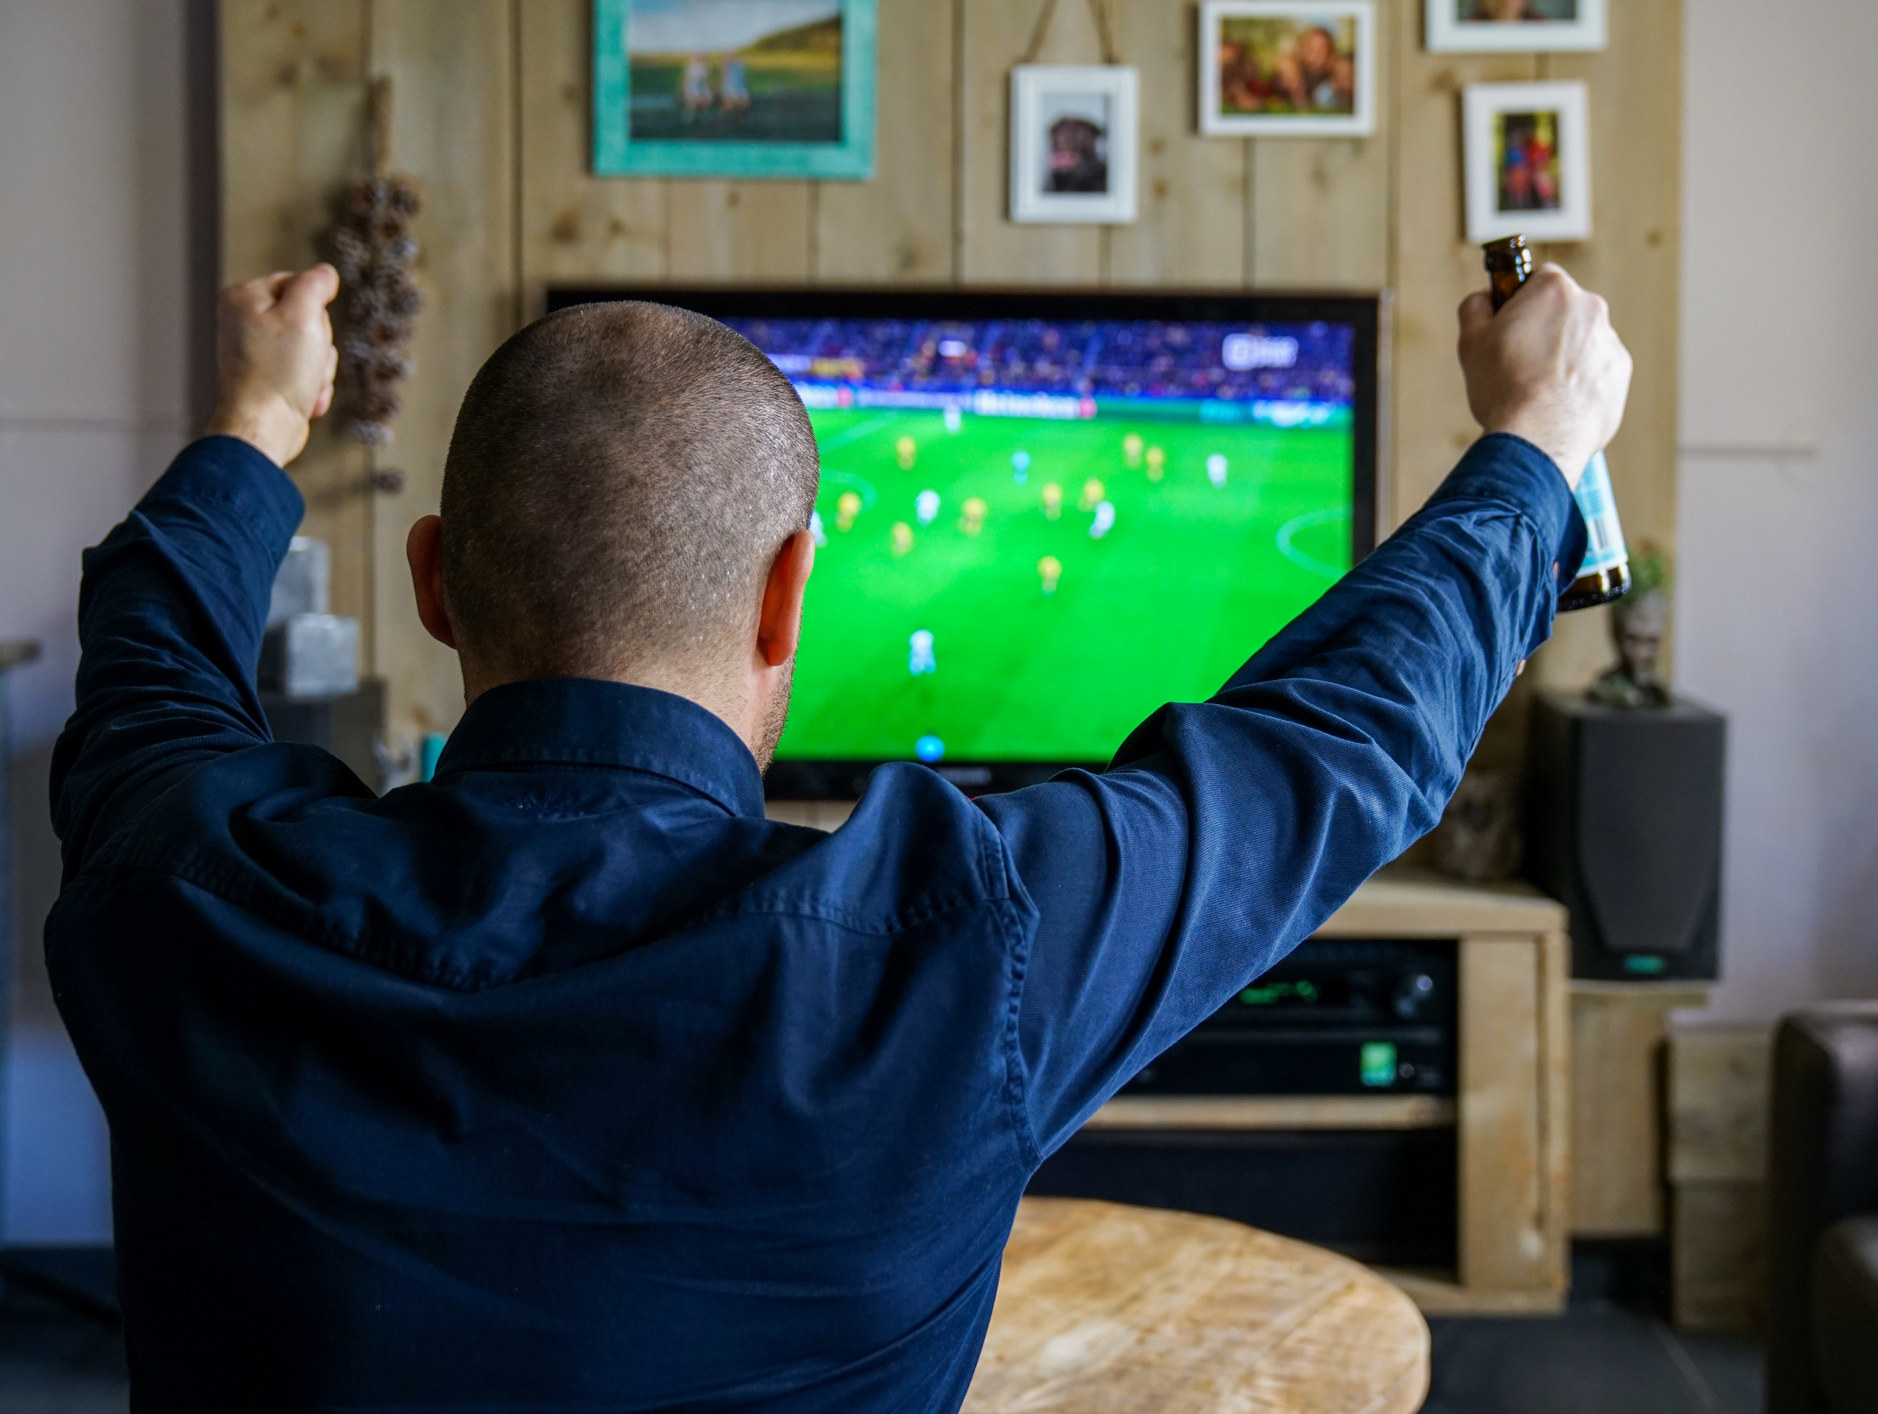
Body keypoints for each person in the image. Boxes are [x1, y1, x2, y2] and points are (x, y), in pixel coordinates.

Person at [46, 257, 1628, 1411]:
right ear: (793, 592)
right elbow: (1335, 745)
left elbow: (147, 651)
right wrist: (1539, 440)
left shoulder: (189, 880)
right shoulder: (957, 947)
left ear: (435, 581)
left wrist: (256, 423)